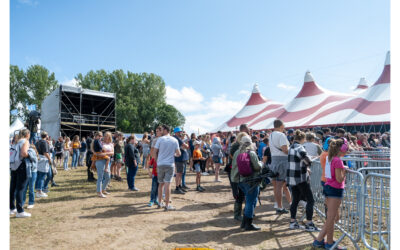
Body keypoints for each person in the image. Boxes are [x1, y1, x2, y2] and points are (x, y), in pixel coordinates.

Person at [313, 138, 349, 249]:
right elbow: (339, 179)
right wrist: (344, 171)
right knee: (331, 217)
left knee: (332, 217)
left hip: (329, 188)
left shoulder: (330, 158)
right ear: (342, 149)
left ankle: (319, 240)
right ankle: (329, 243)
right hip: (335, 190)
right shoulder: (338, 160)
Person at [287, 130, 319, 232]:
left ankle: (293, 222)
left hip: (292, 178)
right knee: (310, 200)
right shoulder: (300, 147)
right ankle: (309, 223)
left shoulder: (291, 147)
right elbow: (307, 160)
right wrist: (314, 159)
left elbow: (299, 160)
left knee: (295, 200)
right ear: (303, 139)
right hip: (300, 177)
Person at [231, 135, 263, 231]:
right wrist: (262, 163)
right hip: (251, 181)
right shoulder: (251, 153)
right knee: (250, 201)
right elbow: (257, 167)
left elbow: (234, 167)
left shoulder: (237, 152)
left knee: (249, 200)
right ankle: (248, 224)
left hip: (240, 181)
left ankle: (244, 223)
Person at [153, 125, 181, 211]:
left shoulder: (160, 139)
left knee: (160, 184)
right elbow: (178, 153)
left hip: (160, 164)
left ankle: (159, 202)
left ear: (165, 130)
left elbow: (155, 152)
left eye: (162, 130)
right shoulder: (175, 140)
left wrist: (157, 161)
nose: (160, 131)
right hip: (170, 164)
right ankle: (167, 205)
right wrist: (173, 155)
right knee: (167, 185)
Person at [270, 119, 292, 214]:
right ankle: (279, 207)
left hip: (274, 160)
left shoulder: (271, 135)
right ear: (281, 126)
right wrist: (292, 152)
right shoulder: (281, 135)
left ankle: (279, 206)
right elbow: (284, 149)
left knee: (276, 186)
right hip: (282, 161)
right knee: (279, 185)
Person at [229, 124, 250, 221]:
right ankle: (237, 215)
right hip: (236, 172)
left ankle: (242, 213)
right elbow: (231, 155)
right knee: (239, 194)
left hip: (239, 172)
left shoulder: (239, 146)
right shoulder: (237, 145)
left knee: (242, 193)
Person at [10, 129, 31, 218]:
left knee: (13, 188)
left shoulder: (16, 141)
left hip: (14, 166)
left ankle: (11, 208)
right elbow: (23, 153)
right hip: (22, 165)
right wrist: (30, 155)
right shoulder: (25, 141)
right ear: (27, 134)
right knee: (20, 189)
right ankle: (20, 211)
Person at [93, 132, 114, 198]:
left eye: (107, 136)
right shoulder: (100, 142)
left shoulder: (111, 144)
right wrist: (99, 154)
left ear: (109, 137)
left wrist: (105, 153)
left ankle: (103, 189)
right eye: (104, 136)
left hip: (107, 161)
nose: (105, 137)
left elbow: (112, 153)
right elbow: (94, 150)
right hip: (100, 160)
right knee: (100, 177)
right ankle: (99, 192)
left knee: (108, 177)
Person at [173, 127, 189, 194]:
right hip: (179, 158)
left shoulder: (177, 138)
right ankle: (177, 187)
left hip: (180, 158)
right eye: (180, 132)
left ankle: (179, 186)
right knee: (178, 173)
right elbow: (186, 146)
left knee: (180, 173)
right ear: (177, 132)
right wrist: (186, 145)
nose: (181, 133)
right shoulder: (177, 138)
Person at [22, 143, 39, 209]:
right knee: (25, 188)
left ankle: (31, 202)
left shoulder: (31, 152)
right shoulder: (31, 152)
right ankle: (22, 203)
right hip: (27, 172)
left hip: (33, 172)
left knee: (31, 188)